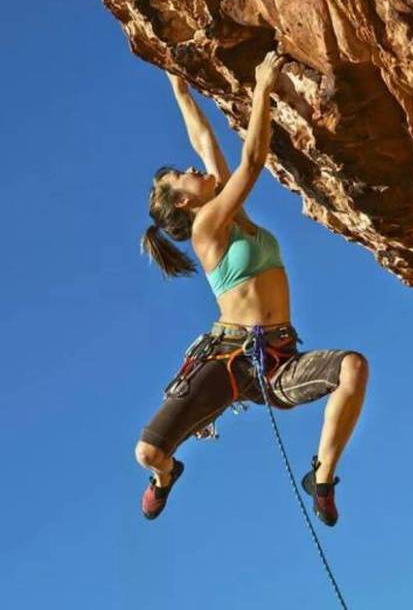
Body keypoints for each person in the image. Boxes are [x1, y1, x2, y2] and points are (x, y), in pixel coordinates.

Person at [135, 51, 369, 527]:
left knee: (353, 367)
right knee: (148, 452)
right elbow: (253, 159)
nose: (196, 169)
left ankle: (321, 477)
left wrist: (178, 86)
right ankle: (166, 475)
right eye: (185, 175)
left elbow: (205, 142)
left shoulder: (231, 215)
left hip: (277, 360)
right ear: (183, 202)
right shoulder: (208, 231)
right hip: (227, 360)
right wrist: (262, 88)